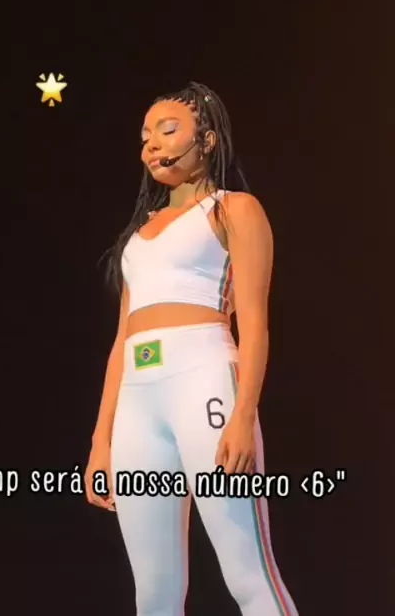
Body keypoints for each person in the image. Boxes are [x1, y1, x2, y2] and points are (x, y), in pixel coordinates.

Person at [85, 81, 298, 615]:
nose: (151, 144)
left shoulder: (234, 209)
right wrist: (101, 439)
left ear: (206, 139)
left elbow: (255, 323)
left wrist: (243, 415)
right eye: (145, 136)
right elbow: (121, 340)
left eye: (167, 130)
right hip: (138, 400)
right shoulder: (139, 236)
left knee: (248, 573)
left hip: (205, 380)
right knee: (154, 593)